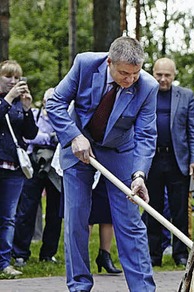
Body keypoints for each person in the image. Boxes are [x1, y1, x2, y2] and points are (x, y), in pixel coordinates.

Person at [46, 36, 157, 291]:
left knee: (129, 221)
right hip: (79, 147)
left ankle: (143, 288)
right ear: (109, 62)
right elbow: (55, 103)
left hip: (120, 151)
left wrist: (139, 174)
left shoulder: (147, 87)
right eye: (124, 73)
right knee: (76, 219)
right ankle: (79, 286)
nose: (130, 80)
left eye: (135, 73)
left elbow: (145, 136)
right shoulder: (85, 64)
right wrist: (74, 136)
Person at [147, 57, 194, 266]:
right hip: (152, 160)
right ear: (153, 73)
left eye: (167, 75)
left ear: (174, 75)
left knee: (180, 210)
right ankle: (154, 254)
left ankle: (180, 253)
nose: (162, 79)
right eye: (159, 75)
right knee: (153, 208)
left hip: (177, 160)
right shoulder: (145, 93)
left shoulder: (185, 96)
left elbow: (193, 131)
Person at [12, 88, 63, 267]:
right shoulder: (33, 114)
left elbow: (64, 138)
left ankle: (48, 253)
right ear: (43, 101)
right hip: (33, 166)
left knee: (55, 212)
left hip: (55, 169)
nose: (52, 104)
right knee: (27, 208)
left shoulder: (64, 118)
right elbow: (29, 137)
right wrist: (50, 137)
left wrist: (48, 138)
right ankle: (20, 253)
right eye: (49, 101)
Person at [0, 60, 37, 277]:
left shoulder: (17, 103)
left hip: (14, 167)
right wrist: (9, 98)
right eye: (8, 77)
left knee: (8, 217)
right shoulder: (7, 100)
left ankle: (4, 262)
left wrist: (26, 109)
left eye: (17, 78)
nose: (13, 81)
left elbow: (30, 134)